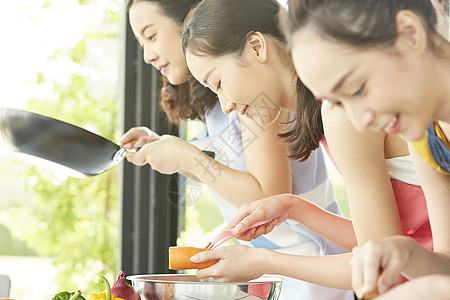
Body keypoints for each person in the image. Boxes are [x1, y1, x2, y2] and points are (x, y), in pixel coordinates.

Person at [182, 0, 434, 294]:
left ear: (256, 47)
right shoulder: (328, 114)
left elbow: (378, 268)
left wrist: (264, 260)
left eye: (220, 83)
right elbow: (383, 244)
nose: (226, 105)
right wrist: (293, 207)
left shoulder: (342, 112)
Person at [121, 0, 350, 299]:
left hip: (316, 273)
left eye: (151, 36)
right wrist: (169, 152)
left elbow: (268, 196)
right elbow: (236, 177)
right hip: (282, 273)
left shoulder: (256, 95)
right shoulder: (225, 99)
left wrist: (187, 157)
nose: (148, 56)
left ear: (189, 20)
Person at [274, 0, 450, 298]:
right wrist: (406, 253)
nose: (359, 120)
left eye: (357, 89)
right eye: (339, 103)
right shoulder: (426, 136)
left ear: (409, 34)